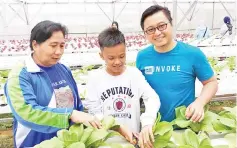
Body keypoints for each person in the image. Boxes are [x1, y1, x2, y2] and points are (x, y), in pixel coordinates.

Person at [4, 20, 101, 148]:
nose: (58, 51)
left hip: (66, 143)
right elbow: (26, 112)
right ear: (35, 45)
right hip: (34, 144)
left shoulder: (63, 69)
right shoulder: (21, 75)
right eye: (53, 45)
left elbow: (76, 106)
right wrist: (69, 115)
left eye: (62, 46)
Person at [137, 5, 218, 124]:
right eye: (150, 29)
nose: (157, 32)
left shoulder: (192, 53)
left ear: (171, 24)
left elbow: (211, 82)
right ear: (145, 33)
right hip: (154, 129)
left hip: (185, 125)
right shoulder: (142, 57)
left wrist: (199, 102)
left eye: (162, 26)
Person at [84, 27, 160, 148]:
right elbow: (94, 112)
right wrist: (118, 127)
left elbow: (152, 97)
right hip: (106, 142)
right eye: (111, 58)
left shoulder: (134, 74)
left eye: (122, 56)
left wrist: (147, 122)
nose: (118, 62)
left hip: (133, 140)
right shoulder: (95, 78)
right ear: (101, 55)